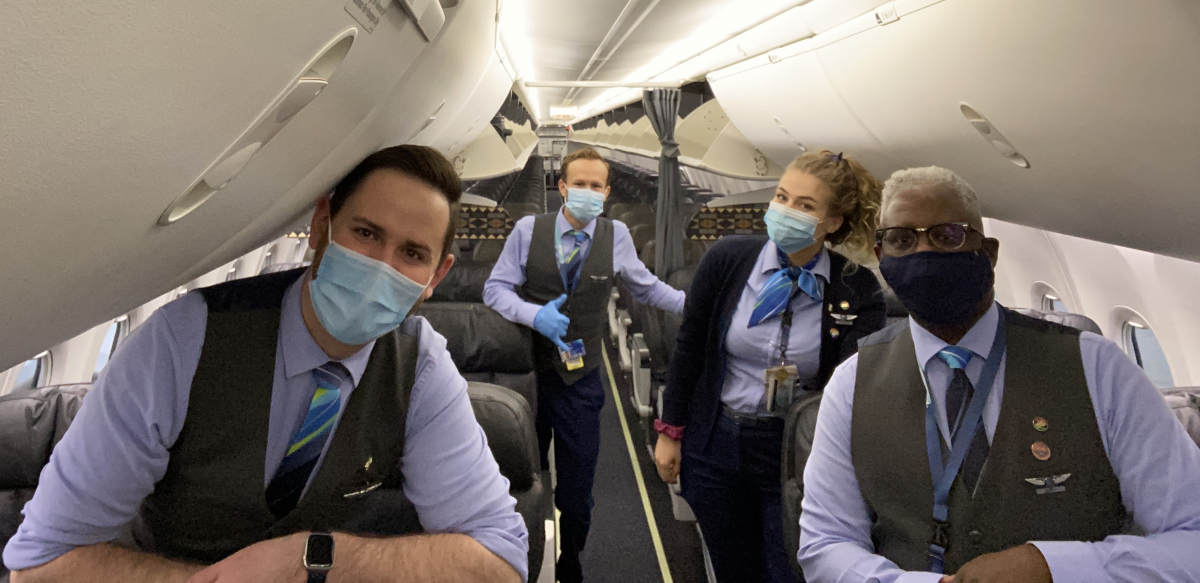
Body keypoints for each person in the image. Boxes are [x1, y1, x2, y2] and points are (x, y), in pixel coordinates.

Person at [4, 146, 529, 583]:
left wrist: (312, 556)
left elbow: (502, 560)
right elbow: (41, 563)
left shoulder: (419, 367)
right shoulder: (183, 339)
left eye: (412, 253)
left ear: (437, 275)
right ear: (322, 224)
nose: (380, 267)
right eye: (365, 233)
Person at [798, 166, 1200, 582]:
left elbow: (1193, 536)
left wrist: (1055, 568)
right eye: (902, 239)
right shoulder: (852, 385)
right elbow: (825, 544)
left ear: (988, 252)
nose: (924, 252)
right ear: (882, 257)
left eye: (946, 235)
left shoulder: (1097, 367)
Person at [653, 150, 887, 582]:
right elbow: (689, 347)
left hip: (795, 454)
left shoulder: (855, 286)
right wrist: (671, 432)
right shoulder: (728, 259)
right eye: (781, 197)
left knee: (789, 571)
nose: (786, 211)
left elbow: (855, 385)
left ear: (832, 222)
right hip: (716, 442)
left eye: (805, 205)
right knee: (733, 570)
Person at [483, 146, 685, 583]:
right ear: (562, 187)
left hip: (582, 378)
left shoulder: (616, 237)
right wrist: (534, 314)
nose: (587, 192)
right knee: (521, 483)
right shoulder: (526, 230)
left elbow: (646, 288)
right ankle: (519, 560)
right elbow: (495, 290)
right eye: (579, 184)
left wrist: (696, 306)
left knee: (577, 496)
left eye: (596, 186)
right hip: (527, 377)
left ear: (607, 192)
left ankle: (570, 561)